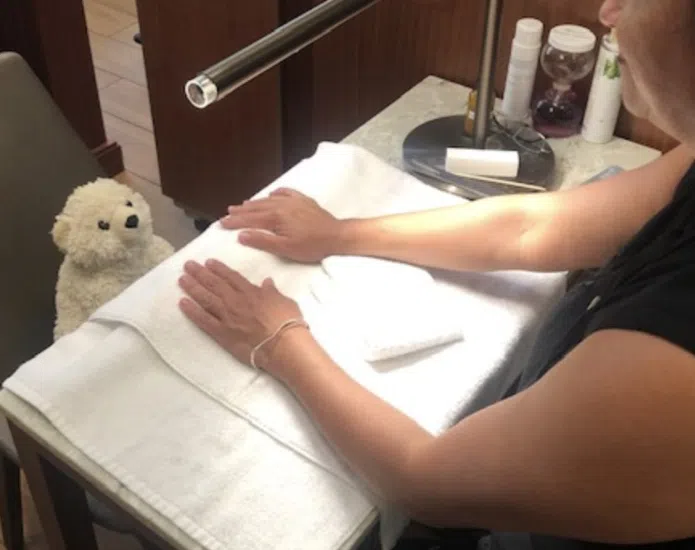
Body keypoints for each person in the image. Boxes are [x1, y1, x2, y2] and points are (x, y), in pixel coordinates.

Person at [176, 1, 695, 549]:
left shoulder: (674, 373)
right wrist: (340, 234)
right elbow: (531, 227)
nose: (609, 10)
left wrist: (280, 341)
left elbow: (422, 481)